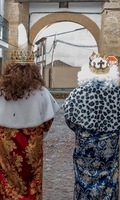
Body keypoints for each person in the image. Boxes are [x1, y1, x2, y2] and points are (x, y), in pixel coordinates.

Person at [62, 53, 120, 200]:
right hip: (109, 148)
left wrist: (82, 131)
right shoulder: (118, 95)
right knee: (109, 180)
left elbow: (69, 118)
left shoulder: (77, 93)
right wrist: (112, 132)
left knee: (84, 180)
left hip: (85, 148)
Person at [0, 51, 60, 200]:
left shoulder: (1, 91)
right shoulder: (41, 92)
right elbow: (49, 119)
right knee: (32, 178)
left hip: (5, 143)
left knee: (7, 176)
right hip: (32, 142)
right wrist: (39, 133)